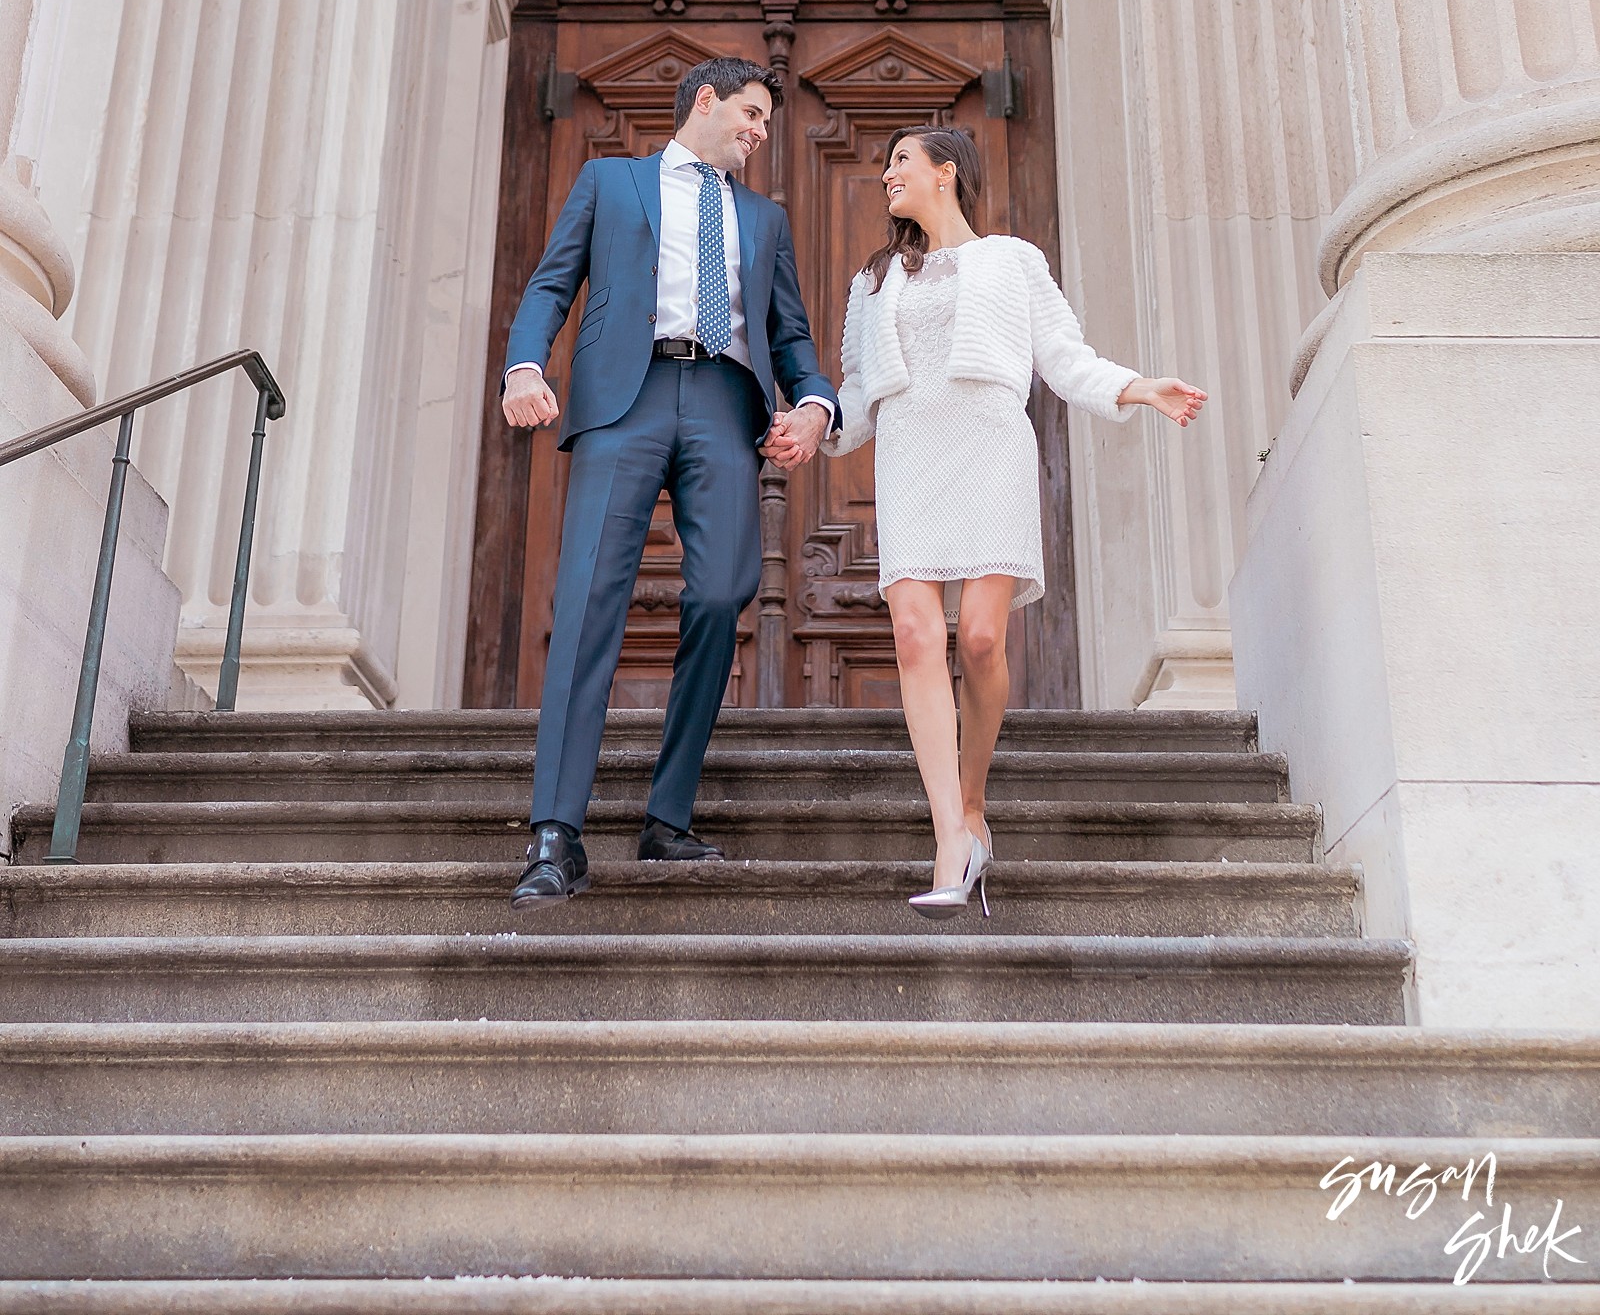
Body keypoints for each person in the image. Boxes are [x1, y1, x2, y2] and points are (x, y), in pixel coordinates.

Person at [827, 126, 1206, 917]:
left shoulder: (1014, 260)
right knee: (916, 637)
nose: (886, 172)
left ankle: (973, 798)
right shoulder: (872, 281)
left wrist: (1139, 387)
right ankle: (950, 840)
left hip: (989, 448)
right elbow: (856, 393)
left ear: (946, 172)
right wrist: (814, 426)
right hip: (908, 454)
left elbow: (1064, 358)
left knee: (982, 640)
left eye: (901, 159)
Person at [500, 55, 839, 905]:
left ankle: (667, 815)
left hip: (724, 406)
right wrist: (523, 367)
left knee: (725, 593)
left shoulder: (767, 219)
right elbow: (552, 284)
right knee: (587, 603)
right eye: (753, 115)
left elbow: (789, 335)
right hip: (628, 398)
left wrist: (816, 407)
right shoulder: (611, 182)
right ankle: (555, 833)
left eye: (766, 121)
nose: (762, 133)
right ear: (706, 101)